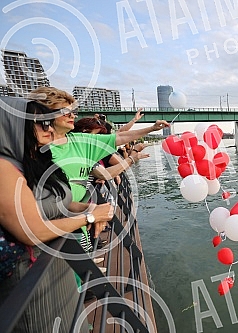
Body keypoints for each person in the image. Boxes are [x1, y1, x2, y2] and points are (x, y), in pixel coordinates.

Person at [0, 96, 113, 332]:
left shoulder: (30, 162)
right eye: (42, 123)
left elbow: (61, 202)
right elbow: (31, 231)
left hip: (58, 266)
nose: (49, 129)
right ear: (14, 124)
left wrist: (91, 208)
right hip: (32, 281)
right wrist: (89, 217)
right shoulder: (4, 169)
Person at [28, 86, 169, 203]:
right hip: (54, 222)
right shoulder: (32, 150)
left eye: (74, 112)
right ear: (44, 115)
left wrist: (151, 128)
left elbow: (119, 136)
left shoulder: (81, 141)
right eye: (66, 112)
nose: (73, 116)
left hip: (79, 221)